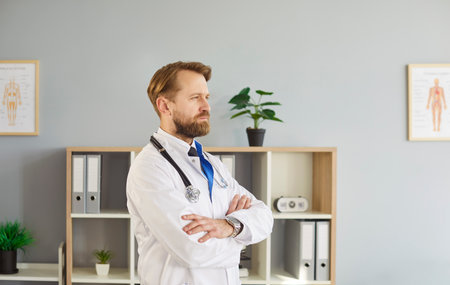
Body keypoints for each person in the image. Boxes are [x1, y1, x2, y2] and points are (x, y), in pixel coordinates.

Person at [126, 61, 273, 285]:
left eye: (207, 97)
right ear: (165, 106)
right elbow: (192, 250)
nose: (207, 107)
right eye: (195, 98)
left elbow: (264, 216)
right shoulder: (149, 168)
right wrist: (240, 236)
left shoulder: (212, 164)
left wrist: (228, 226)